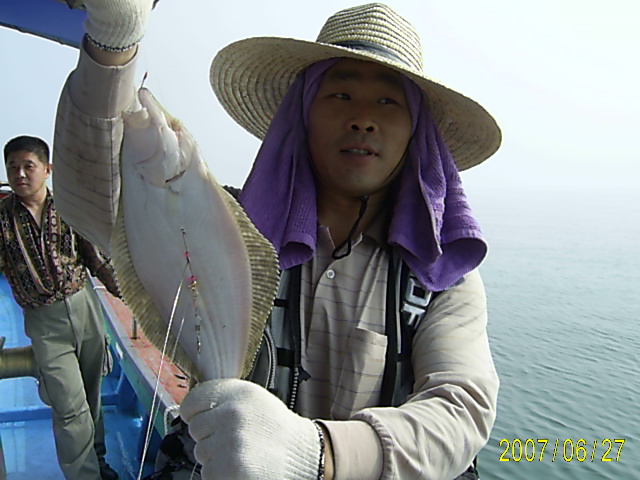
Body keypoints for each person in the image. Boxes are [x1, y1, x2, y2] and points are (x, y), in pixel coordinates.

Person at [52, 2, 501, 479]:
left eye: (388, 102)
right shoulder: (225, 223)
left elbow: (461, 408)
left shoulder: (441, 275)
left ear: (416, 132)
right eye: (341, 94)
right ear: (302, 113)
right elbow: (90, 202)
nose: (363, 119)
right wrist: (114, 39)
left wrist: (321, 454)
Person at [0, 135, 121, 480]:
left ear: (47, 169)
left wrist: (131, 296)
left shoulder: (70, 207)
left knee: (92, 396)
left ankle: (99, 461)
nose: (20, 174)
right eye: (12, 167)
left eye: (28, 166)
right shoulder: (2, 219)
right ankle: (85, 476)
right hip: (44, 322)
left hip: (85, 308)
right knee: (69, 406)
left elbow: (96, 259)